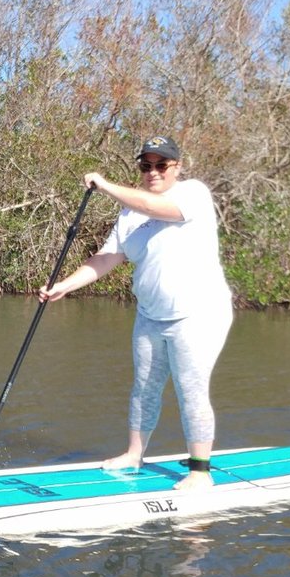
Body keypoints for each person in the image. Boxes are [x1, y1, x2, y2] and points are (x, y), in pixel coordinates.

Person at [38, 135, 233, 491]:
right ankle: (134, 454)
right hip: (150, 315)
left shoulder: (193, 193)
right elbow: (107, 257)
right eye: (146, 165)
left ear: (177, 167)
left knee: (191, 389)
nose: (154, 172)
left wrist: (105, 185)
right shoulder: (129, 215)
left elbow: (155, 206)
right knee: (144, 388)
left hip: (198, 314)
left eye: (162, 165)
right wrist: (64, 286)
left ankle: (200, 472)